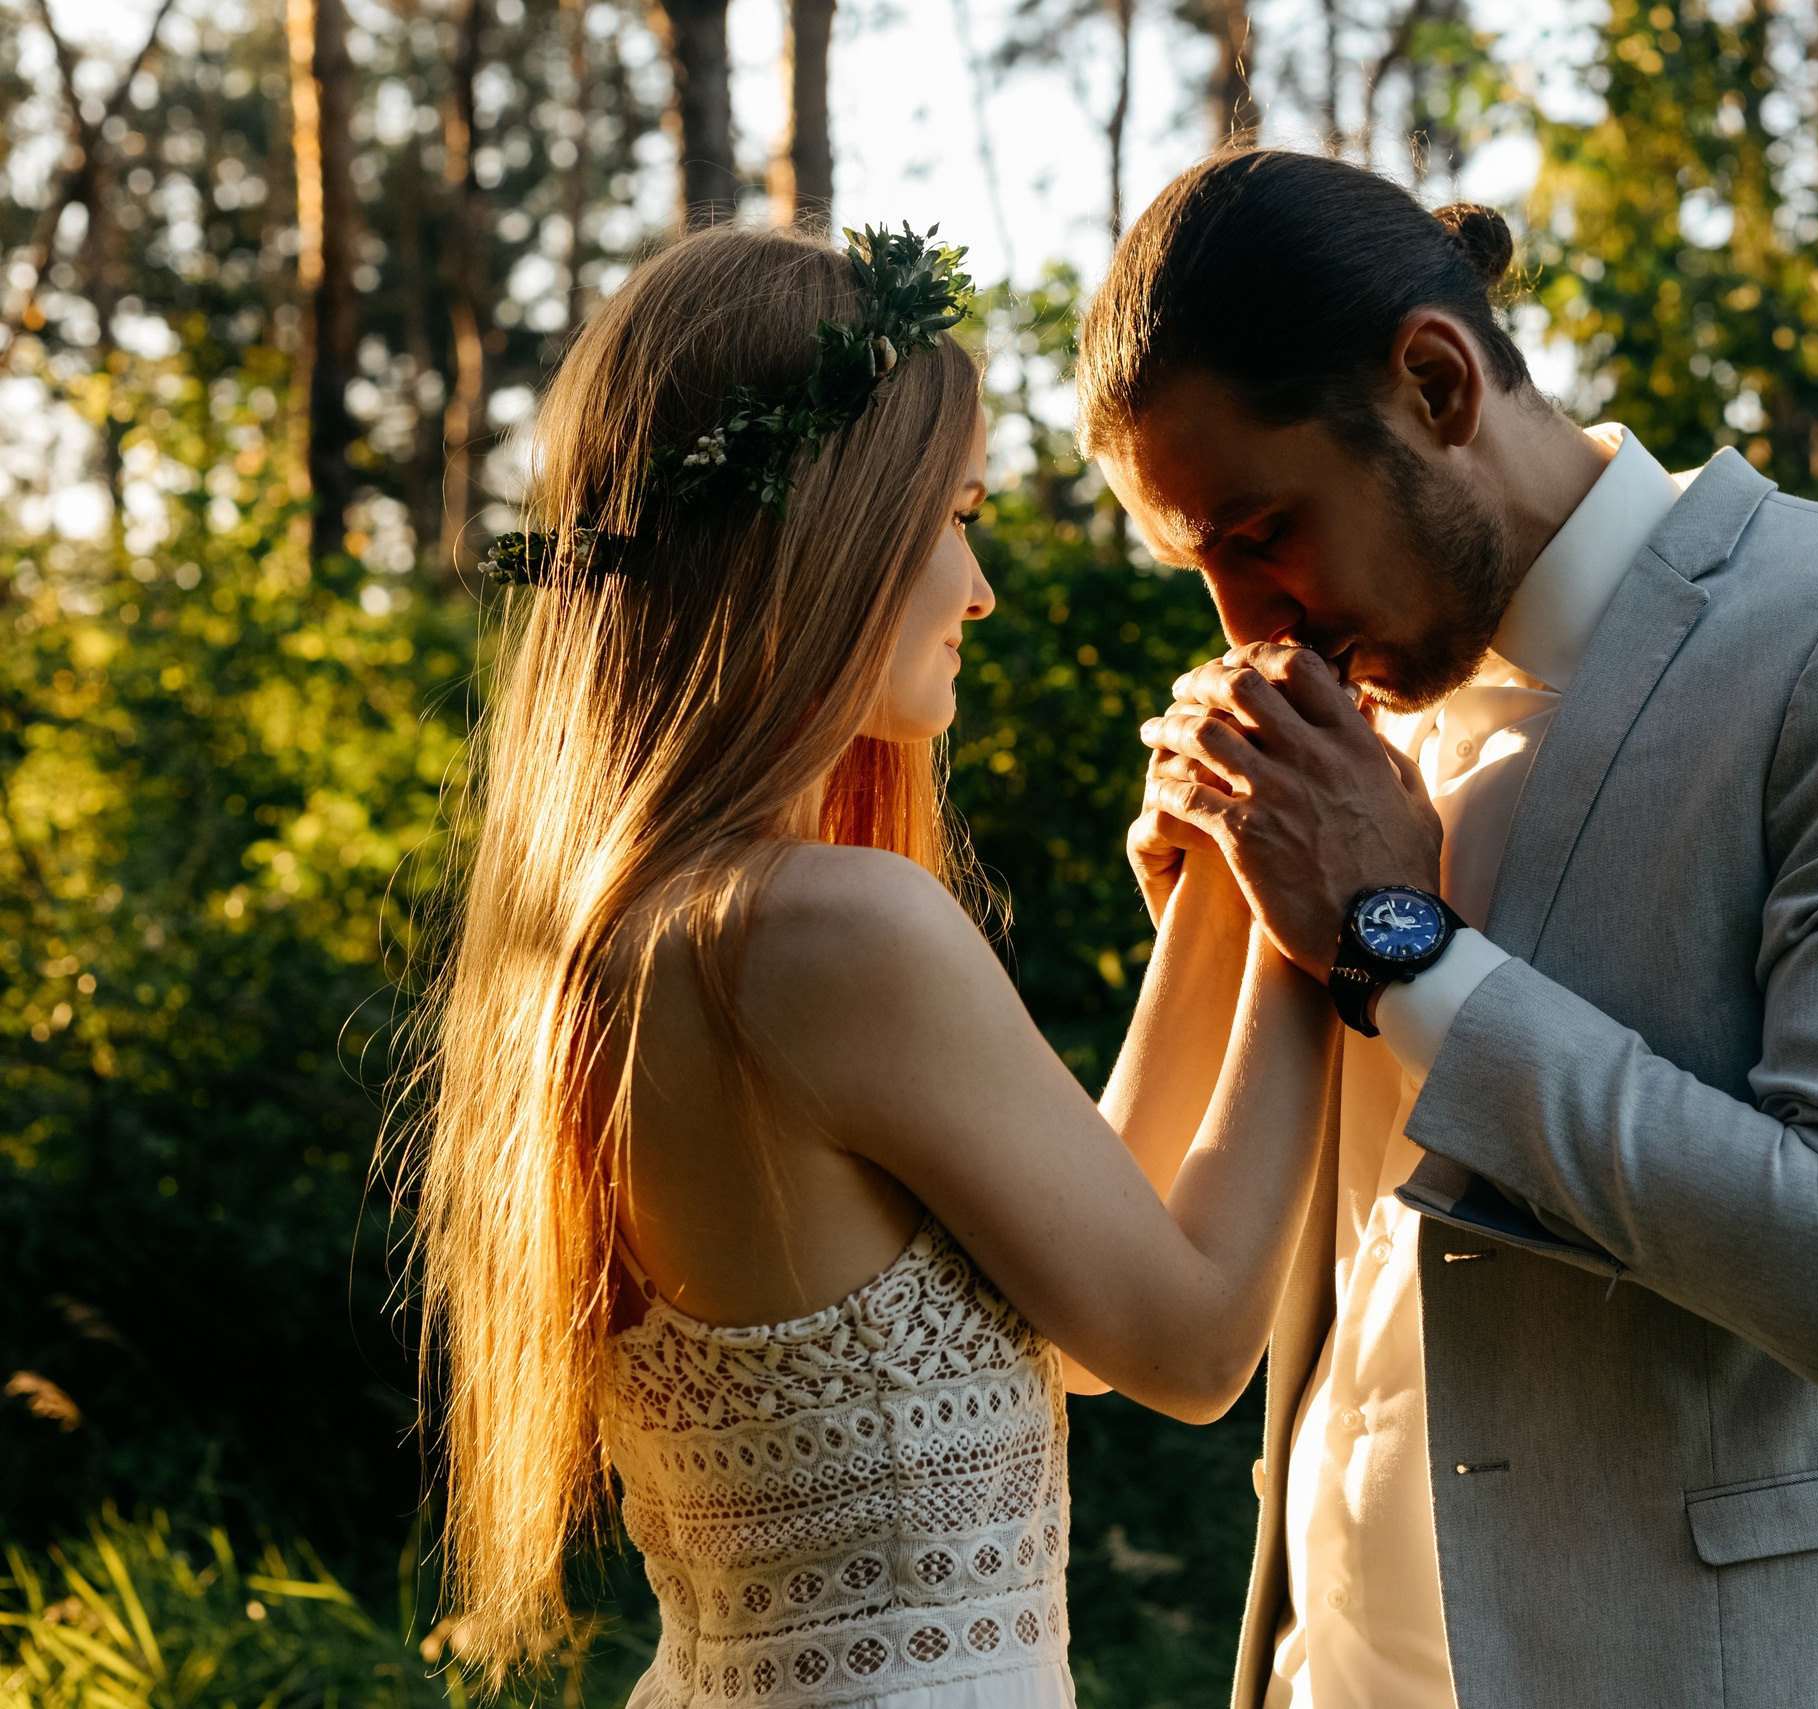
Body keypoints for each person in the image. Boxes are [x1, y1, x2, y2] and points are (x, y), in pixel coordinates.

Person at [1082, 150, 1818, 1708]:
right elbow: (1172, 1270)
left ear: (1434, 380)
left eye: (1261, 532)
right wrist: (1212, 930)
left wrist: (1395, 940)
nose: (1242, 625)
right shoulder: (1350, 725)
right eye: (1199, 562)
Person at [410, 222, 1340, 1709]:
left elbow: (1097, 1312)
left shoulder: (616, 933)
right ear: (823, 536)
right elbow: (1191, 1341)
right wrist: (1330, 908)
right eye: (954, 517)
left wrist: (1226, 903)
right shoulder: (828, 928)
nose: (976, 588)